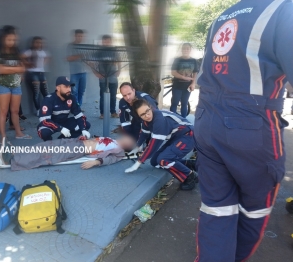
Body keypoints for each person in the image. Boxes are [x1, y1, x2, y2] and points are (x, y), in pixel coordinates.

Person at [193, 1, 293, 261]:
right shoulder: (284, 10)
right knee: (255, 208)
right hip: (249, 128)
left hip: (206, 121)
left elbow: (204, 75)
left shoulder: (223, 15)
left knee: (217, 208)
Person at [125, 99, 198, 190]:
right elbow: (144, 134)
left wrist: (139, 162)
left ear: (150, 107)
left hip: (188, 136)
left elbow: (153, 146)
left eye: (147, 110)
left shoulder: (159, 120)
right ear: (139, 116)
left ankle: (190, 176)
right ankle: (189, 164)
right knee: (155, 161)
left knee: (163, 160)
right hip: (177, 137)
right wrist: (137, 146)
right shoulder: (146, 122)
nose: (147, 115)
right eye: (142, 114)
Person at [0, 134, 135, 171]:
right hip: (76, 141)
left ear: (128, 145)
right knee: (44, 145)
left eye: (130, 140)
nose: (127, 137)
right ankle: (17, 152)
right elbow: (99, 142)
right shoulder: (113, 140)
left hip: (79, 150)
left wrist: (96, 161)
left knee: (47, 154)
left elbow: (110, 159)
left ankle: (12, 160)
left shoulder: (120, 152)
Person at [0, 26, 31, 143]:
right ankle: (3, 137)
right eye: (9, 40)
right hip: (2, 85)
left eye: (14, 40)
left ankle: (18, 133)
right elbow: (0, 70)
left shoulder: (16, 52)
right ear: (3, 39)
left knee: (15, 111)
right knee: (3, 111)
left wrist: (9, 68)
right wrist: (16, 68)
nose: (12, 42)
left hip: (16, 85)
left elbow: (23, 68)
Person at [37, 76, 91, 141]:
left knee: (86, 125)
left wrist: (83, 129)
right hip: (51, 123)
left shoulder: (72, 97)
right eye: (66, 87)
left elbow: (79, 115)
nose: (69, 89)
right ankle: (49, 145)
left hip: (64, 121)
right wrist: (60, 128)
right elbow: (44, 120)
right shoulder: (49, 99)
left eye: (69, 86)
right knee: (44, 132)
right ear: (58, 88)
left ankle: (62, 140)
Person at [92, 35, 120, 119]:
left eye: (108, 41)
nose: (106, 43)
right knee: (103, 96)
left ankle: (113, 112)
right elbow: (92, 63)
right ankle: (102, 113)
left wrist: (119, 70)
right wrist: (96, 73)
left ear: (111, 41)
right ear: (102, 41)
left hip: (113, 76)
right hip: (103, 77)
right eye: (104, 41)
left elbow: (119, 61)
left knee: (113, 95)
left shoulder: (114, 51)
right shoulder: (98, 52)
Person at [22, 36, 49, 113]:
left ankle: (48, 109)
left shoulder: (43, 52)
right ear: (33, 43)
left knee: (46, 93)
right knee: (36, 92)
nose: (39, 44)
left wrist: (44, 63)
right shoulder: (29, 51)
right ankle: (38, 110)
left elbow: (46, 58)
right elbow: (21, 57)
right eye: (37, 42)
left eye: (40, 43)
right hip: (32, 73)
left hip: (41, 73)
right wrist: (27, 63)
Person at [170, 43, 198, 117]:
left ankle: (184, 121)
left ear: (190, 50)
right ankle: (172, 120)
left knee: (184, 104)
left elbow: (195, 72)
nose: (185, 50)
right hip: (177, 85)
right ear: (182, 49)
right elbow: (173, 72)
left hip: (187, 86)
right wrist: (184, 77)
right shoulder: (177, 60)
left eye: (187, 48)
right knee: (174, 103)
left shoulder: (194, 61)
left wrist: (193, 83)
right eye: (184, 48)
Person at [66, 29, 87, 107]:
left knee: (81, 91)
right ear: (75, 36)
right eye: (78, 36)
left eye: (81, 36)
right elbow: (68, 58)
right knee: (74, 92)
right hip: (74, 73)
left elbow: (86, 59)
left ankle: (78, 107)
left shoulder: (84, 46)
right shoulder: (70, 46)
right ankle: (74, 108)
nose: (80, 37)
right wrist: (79, 56)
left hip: (84, 72)